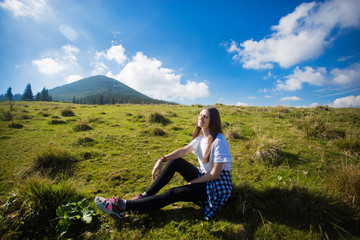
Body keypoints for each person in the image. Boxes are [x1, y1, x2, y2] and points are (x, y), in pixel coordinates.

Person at [95, 106, 233, 220]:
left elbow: (215, 174)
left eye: (205, 117)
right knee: (175, 162)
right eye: (200, 115)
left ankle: (122, 206)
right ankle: (145, 196)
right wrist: (162, 159)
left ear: (213, 120)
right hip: (204, 177)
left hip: (216, 186)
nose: (201, 118)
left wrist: (193, 183)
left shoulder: (219, 141)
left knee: (173, 193)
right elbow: (183, 151)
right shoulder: (202, 138)